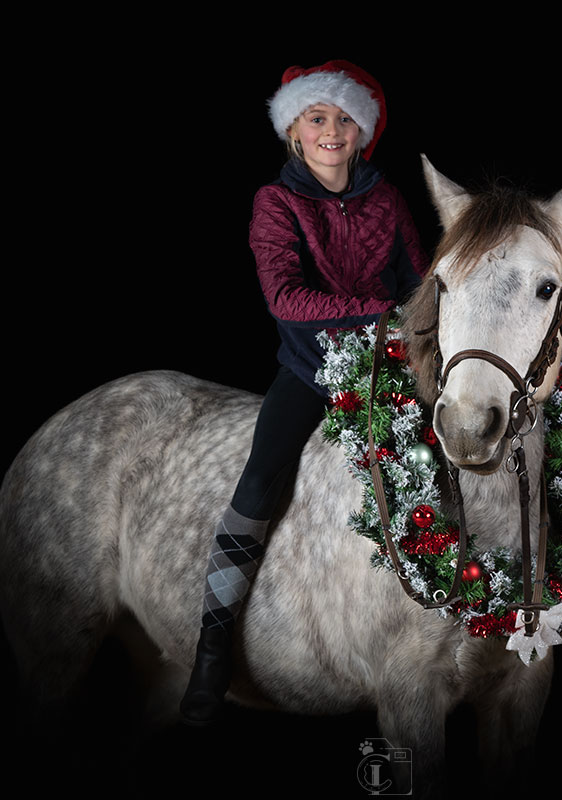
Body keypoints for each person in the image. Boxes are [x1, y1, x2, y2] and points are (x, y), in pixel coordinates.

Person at [180, 60, 429, 726]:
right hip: (313, 371)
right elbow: (286, 297)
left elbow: (418, 282)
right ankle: (212, 649)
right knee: (258, 487)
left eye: (345, 119)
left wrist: (415, 320)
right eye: (318, 117)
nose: (331, 130)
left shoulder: (387, 198)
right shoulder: (277, 202)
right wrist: (379, 315)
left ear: (362, 133)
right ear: (294, 127)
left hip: (390, 370)